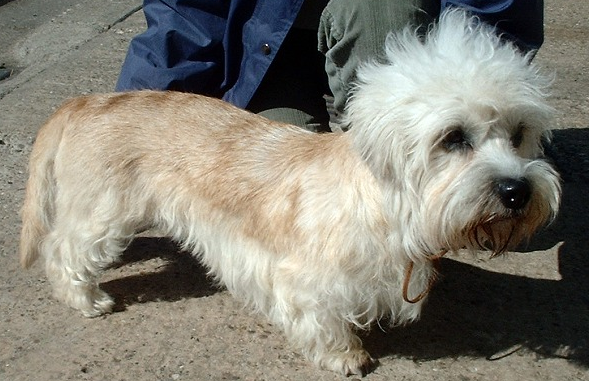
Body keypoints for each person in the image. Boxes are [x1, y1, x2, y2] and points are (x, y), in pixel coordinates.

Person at [115, 0, 544, 132]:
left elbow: (493, 10)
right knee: (280, 195)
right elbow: (189, 14)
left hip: (395, 37)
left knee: (377, 7)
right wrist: (126, 132)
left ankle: (404, 179)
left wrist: (492, 117)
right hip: (270, 57)